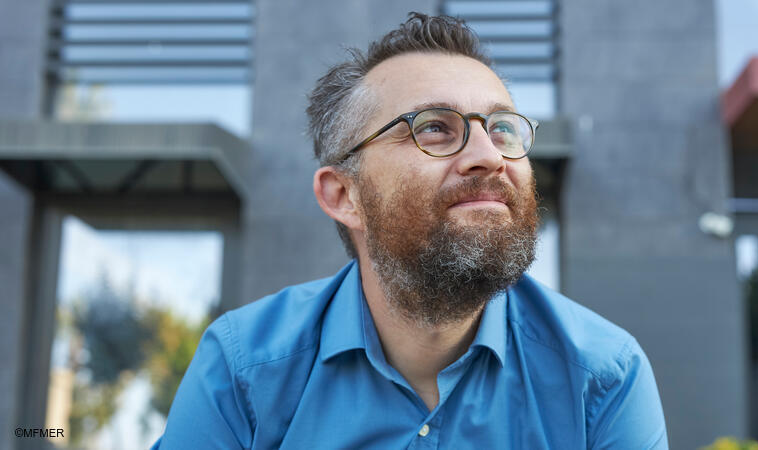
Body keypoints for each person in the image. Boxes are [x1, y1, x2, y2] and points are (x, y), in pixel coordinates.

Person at [153, 13, 668, 449]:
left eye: (503, 128)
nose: (489, 156)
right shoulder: (245, 370)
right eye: (434, 128)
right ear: (344, 195)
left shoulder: (602, 377)